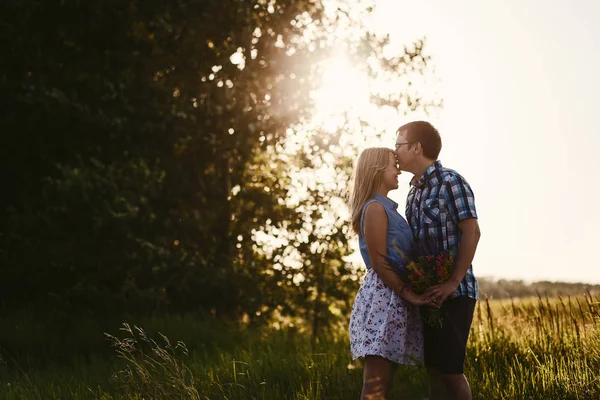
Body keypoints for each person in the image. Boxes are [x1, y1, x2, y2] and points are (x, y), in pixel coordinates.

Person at [395, 121, 481, 400]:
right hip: (428, 295)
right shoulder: (413, 193)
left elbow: (472, 231)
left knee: (451, 371)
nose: (394, 151)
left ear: (417, 147)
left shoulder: (451, 181)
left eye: (399, 145)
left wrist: (452, 282)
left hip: (455, 293)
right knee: (433, 369)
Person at [348, 147, 436, 400]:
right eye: (392, 165)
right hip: (383, 299)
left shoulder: (388, 208)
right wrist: (411, 294)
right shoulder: (375, 208)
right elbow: (378, 260)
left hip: (393, 298)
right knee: (376, 386)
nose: (398, 170)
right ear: (377, 170)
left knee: (383, 384)